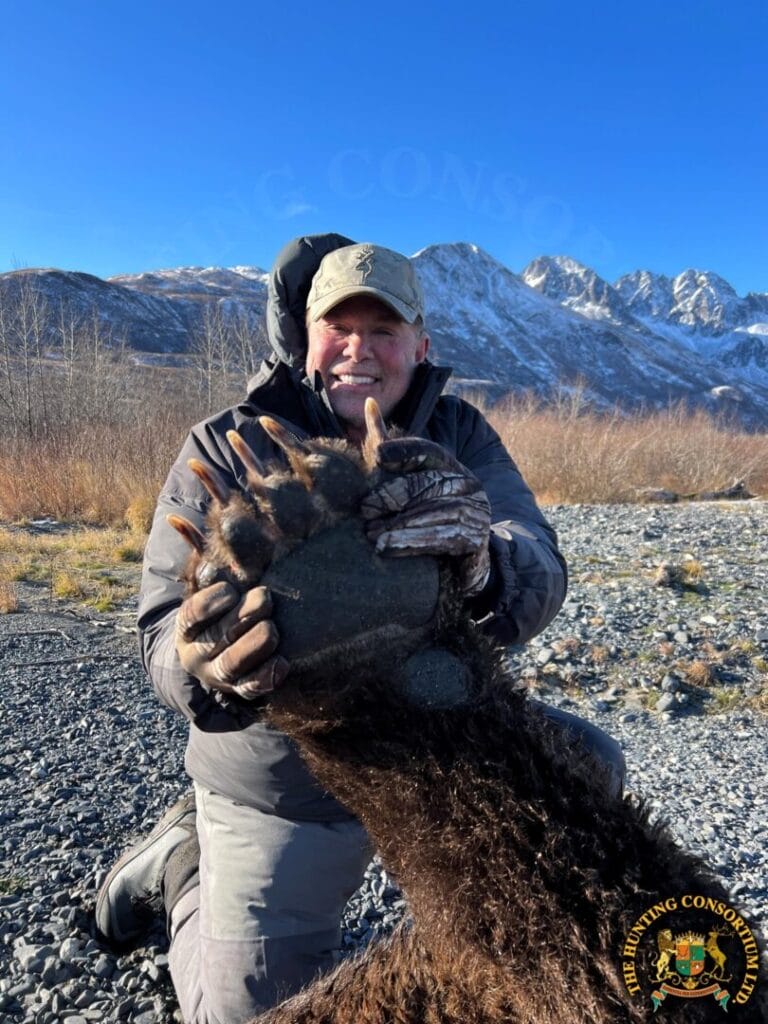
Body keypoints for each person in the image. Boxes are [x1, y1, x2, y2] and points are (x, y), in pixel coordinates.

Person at [96, 234, 623, 1023]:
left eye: (383, 331)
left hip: (442, 742)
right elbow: (160, 634)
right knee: (247, 1014)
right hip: (283, 778)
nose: (359, 350)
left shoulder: (458, 436)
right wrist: (202, 662)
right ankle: (183, 867)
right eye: (339, 328)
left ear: (420, 343)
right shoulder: (225, 445)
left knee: (592, 778)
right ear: (305, 339)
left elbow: (537, 560)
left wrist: (485, 558)